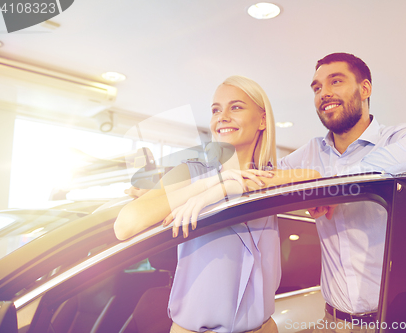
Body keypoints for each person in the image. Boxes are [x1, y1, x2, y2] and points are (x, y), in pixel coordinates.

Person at [114, 75, 319, 333]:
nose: (221, 116)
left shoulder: (270, 178)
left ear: (263, 120)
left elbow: (314, 178)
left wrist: (233, 187)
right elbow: (126, 225)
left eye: (236, 107)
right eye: (215, 110)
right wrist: (211, 184)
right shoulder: (191, 172)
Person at [278, 53, 406, 332]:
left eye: (336, 82)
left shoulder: (394, 138)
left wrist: (329, 185)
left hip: (396, 323)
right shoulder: (310, 154)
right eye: (317, 88)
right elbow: (265, 177)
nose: (324, 93)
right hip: (333, 322)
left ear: (365, 89)